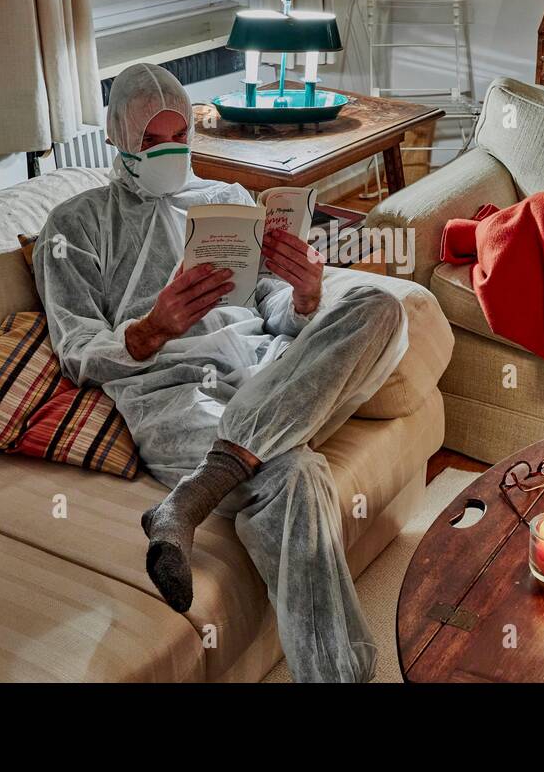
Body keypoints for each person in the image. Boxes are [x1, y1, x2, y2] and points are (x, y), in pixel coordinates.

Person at [33, 63, 408, 683]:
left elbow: (276, 312)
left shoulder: (226, 202)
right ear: (117, 140)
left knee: (380, 307)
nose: (169, 151)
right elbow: (75, 349)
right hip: (173, 396)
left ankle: (193, 496)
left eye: (179, 137)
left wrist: (306, 293)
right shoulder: (74, 226)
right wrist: (152, 328)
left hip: (275, 375)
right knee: (294, 472)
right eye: (153, 142)